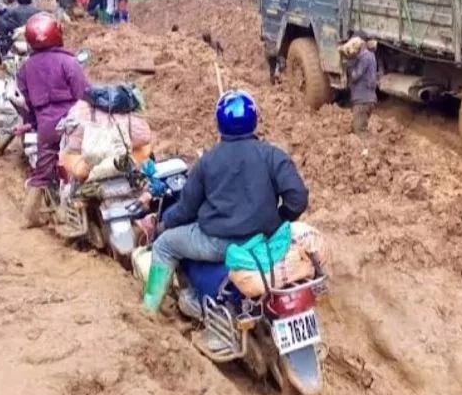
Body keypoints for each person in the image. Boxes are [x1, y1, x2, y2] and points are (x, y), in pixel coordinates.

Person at [142, 90, 310, 314]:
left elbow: (186, 210)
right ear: (255, 120)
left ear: (219, 124)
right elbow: (298, 198)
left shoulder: (207, 162)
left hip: (218, 243)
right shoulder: (273, 155)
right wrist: (278, 221)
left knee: (164, 245)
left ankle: (149, 311)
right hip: (263, 239)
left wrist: (163, 224)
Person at [17, 13, 91, 227]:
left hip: (47, 127)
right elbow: (84, 94)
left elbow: (26, 102)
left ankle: (29, 217)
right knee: (87, 161)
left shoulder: (26, 68)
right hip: (73, 124)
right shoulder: (68, 61)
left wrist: (35, 123)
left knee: (41, 172)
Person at [348, 37, 378, 134]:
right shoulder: (371, 56)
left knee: (360, 132)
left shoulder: (364, 57)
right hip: (368, 99)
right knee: (359, 128)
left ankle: (368, 144)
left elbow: (355, 76)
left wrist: (351, 64)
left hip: (362, 100)